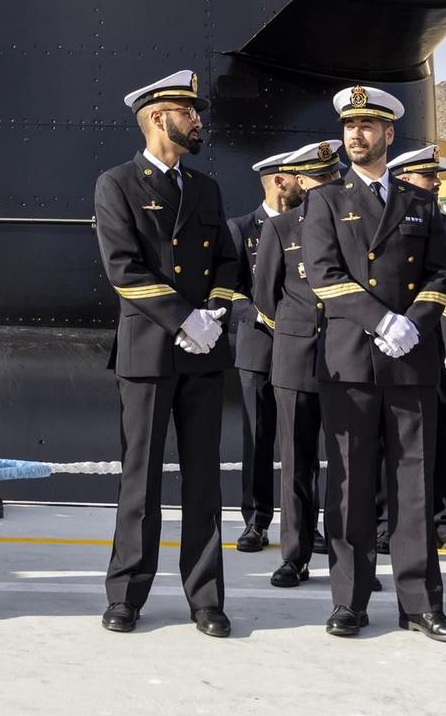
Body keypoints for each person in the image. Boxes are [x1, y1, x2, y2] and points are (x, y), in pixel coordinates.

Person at [300, 88, 446, 644]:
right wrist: (381, 321)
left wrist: (413, 323)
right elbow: (323, 275)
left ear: (389, 134)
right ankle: (349, 601)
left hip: (409, 359)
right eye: (351, 126)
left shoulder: (420, 202)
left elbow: (444, 275)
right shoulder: (324, 199)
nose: (357, 135)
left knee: (414, 485)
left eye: (369, 126)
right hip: (351, 360)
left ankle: (420, 603)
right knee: (349, 487)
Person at [95, 70, 242, 638]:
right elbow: (122, 267)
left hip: (203, 353)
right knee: (140, 481)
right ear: (160, 117)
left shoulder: (204, 188)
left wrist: (212, 316)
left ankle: (205, 598)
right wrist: (184, 318)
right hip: (149, 353)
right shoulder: (117, 184)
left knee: (204, 482)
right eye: (190, 112)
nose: (198, 121)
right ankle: (126, 595)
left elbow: (227, 263)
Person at [253, 142, 339, 588]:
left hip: (349, 359)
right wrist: (297, 331)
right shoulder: (282, 229)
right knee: (297, 465)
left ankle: (349, 560)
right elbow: (266, 297)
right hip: (297, 357)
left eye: (332, 177)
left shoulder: (354, 224)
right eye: (318, 178)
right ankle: (295, 555)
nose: (327, 185)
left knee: (350, 467)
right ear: (301, 182)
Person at [391, 143, 446, 550]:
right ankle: (392, 522)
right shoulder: (390, 220)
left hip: (437, 340)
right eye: (427, 176)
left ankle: (444, 518)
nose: (435, 183)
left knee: (444, 437)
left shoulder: (440, 219)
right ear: (404, 178)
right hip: (398, 342)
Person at [228, 151, 294, 553]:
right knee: (258, 438)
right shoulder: (241, 229)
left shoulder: (306, 225)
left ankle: (303, 523)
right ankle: (256, 521)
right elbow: (229, 291)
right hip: (258, 348)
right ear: (278, 180)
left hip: (301, 349)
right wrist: (262, 317)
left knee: (299, 440)